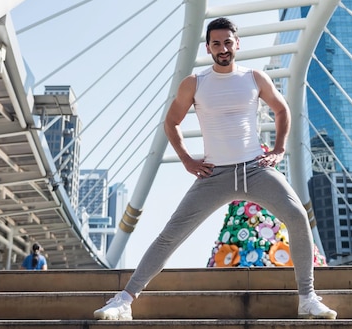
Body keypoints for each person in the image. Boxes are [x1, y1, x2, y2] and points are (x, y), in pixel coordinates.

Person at [93, 17, 337, 320]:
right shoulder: (195, 83)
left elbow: (282, 109)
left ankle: (307, 298)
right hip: (214, 175)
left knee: (298, 217)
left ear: (237, 44)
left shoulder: (255, 78)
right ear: (208, 48)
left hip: (255, 169)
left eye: (228, 42)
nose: (223, 48)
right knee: (171, 234)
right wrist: (186, 159)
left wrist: (278, 149)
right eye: (216, 43)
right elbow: (171, 122)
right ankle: (124, 300)